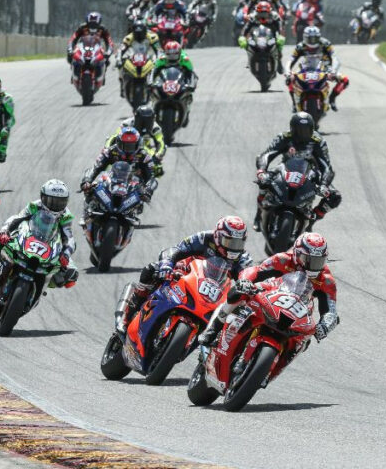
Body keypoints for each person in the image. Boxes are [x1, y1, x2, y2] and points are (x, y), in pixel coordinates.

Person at [198, 232, 339, 346]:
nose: (312, 265)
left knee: (304, 341)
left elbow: (331, 310)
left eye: (318, 261)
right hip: (272, 291)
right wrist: (245, 282)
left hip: (300, 307)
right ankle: (214, 328)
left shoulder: (326, 279)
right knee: (238, 293)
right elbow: (256, 271)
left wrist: (325, 326)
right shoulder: (283, 259)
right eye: (307, 259)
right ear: (297, 253)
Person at [114, 216, 253, 329]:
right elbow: (178, 249)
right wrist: (167, 264)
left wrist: (247, 289)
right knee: (151, 270)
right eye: (229, 242)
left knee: (226, 322)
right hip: (187, 272)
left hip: (214, 292)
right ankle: (128, 313)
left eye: (238, 244)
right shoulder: (204, 238)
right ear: (218, 236)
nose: (234, 248)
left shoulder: (243, 258)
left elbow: (248, 278)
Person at [0, 179, 78, 293]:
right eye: (51, 201)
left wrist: (66, 255)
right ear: (43, 197)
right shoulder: (35, 206)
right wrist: (4, 231)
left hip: (51, 243)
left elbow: (69, 238)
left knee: (72, 274)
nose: (55, 205)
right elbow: (16, 218)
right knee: (0, 242)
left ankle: (42, 285)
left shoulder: (66, 216)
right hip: (29, 234)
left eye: (60, 202)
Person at [254, 112, 339, 231]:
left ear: (312, 129)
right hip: (284, 168)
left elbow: (326, 166)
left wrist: (324, 184)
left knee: (335, 196)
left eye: (306, 130)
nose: (302, 134)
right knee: (264, 181)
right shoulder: (284, 137)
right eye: (299, 130)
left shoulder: (318, 141)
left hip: (310, 172)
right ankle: (259, 215)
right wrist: (261, 171)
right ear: (292, 128)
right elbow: (266, 154)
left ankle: (311, 221)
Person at [79, 125, 158, 225]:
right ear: (118, 143)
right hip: (112, 178)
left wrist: (148, 190)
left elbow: (151, 177)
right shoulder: (110, 151)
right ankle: (87, 212)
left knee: (142, 195)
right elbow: (96, 167)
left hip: (133, 183)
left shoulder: (144, 155)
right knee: (92, 186)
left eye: (131, 146)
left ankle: (131, 213)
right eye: (124, 145)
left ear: (138, 144)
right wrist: (87, 180)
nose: (128, 150)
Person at [111, 105, 166, 177]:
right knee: (110, 158)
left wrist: (157, 155)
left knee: (158, 170)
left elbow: (160, 143)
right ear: (136, 117)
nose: (144, 124)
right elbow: (113, 137)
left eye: (148, 121)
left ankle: (147, 181)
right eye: (141, 120)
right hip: (124, 149)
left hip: (144, 150)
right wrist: (107, 148)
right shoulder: (126, 124)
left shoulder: (156, 128)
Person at [117, 20, 162, 99]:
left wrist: (159, 58)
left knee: (157, 65)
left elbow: (159, 50)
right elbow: (121, 49)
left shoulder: (152, 37)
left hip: (148, 56)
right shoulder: (129, 38)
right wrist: (118, 59)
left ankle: (154, 86)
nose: (139, 35)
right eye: (137, 33)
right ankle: (122, 84)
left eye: (140, 33)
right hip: (134, 57)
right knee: (121, 63)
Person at [239, 1, 285, 74]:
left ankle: (279, 62)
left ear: (269, 11)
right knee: (248, 44)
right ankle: (249, 59)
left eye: (265, 13)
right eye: (261, 13)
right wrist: (242, 37)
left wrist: (280, 36)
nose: (263, 15)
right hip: (256, 35)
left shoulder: (275, 16)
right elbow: (246, 28)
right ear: (257, 12)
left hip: (271, 35)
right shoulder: (252, 17)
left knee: (279, 46)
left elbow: (280, 28)